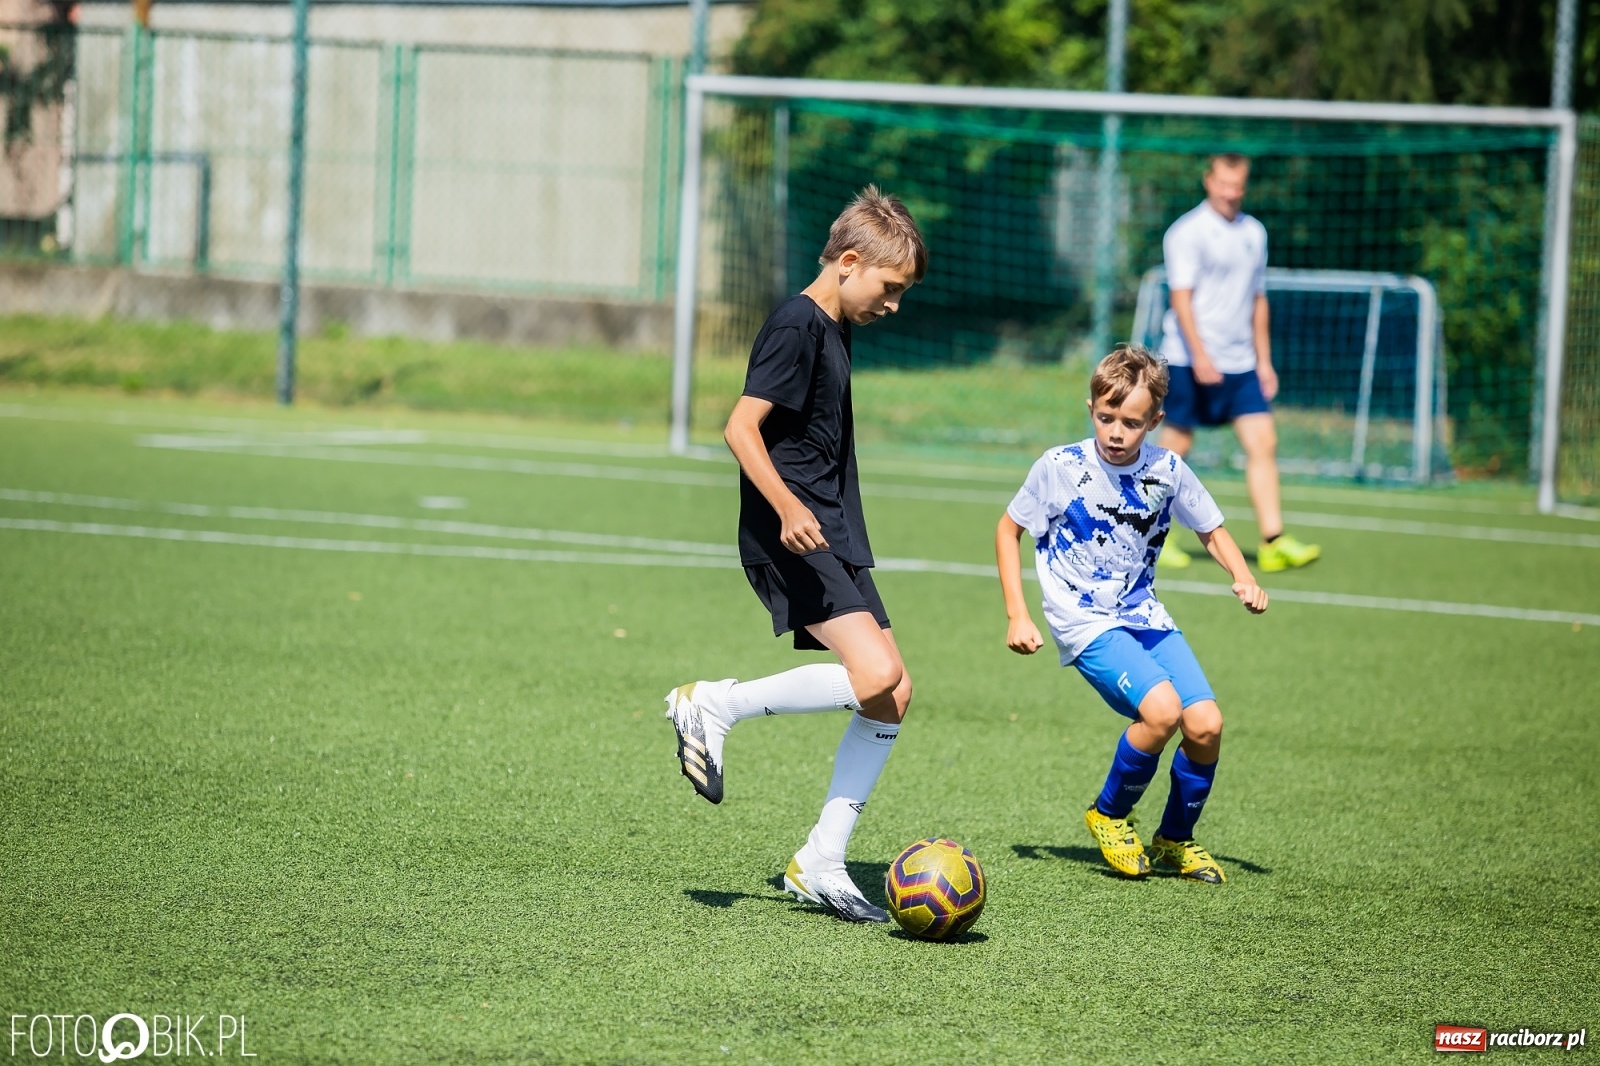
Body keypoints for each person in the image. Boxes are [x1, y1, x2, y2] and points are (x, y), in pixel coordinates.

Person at [663, 186, 926, 923]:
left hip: (831, 530)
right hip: (793, 529)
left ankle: (821, 859)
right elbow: (740, 428)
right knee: (873, 672)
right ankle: (714, 704)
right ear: (849, 262)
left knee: (892, 694)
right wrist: (788, 508)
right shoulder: (797, 323)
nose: (894, 304)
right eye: (890, 287)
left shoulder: (836, 325)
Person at [995, 345, 1268, 883]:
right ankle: (1109, 815)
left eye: (1132, 422)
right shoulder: (1060, 466)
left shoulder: (1168, 469)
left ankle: (1174, 840)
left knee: (1206, 725)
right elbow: (1009, 531)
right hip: (1085, 620)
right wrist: (1017, 615)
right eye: (1106, 417)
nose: (1117, 432)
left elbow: (1211, 529)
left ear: (1156, 421)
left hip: (1143, 615)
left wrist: (1243, 575)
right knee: (1162, 712)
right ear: (1091, 408)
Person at [1156, 152, 1320, 573]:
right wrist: (1201, 355)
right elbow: (1181, 299)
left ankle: (1272, 541)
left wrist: (1264, 361)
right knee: (1175, 450)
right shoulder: (1187, 232)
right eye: (1224, 183)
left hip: (1242, 362)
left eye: (1238, 185)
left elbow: (1257, 300)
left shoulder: (1254, 232)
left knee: (1263, 443)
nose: (1231, 193)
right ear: (1208, 180)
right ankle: (1156, 535)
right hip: (1187, 359)